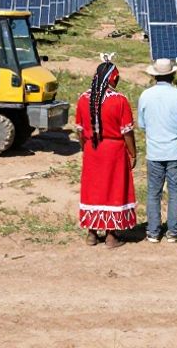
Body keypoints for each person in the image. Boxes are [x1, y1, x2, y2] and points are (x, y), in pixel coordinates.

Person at [75, 54, 137, 249]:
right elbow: (127, 132)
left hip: (93, 149)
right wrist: (133, 153)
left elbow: (79, 129)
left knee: (93, 189)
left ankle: (92, 234)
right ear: (112, 78)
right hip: (114, 151)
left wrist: (84, 147)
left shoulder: (84, 99)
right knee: (114, 189)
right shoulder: (120, 101)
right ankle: (111, 235)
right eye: (116, 77)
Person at [137, 57, 177, 243]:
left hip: (154, 151)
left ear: (154, 75)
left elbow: (142, 125)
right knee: (175, 192)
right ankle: (174, 232)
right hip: (176, 151)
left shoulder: (145, 96)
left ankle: (153, 232)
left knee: (153, 192)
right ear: (173, 74)